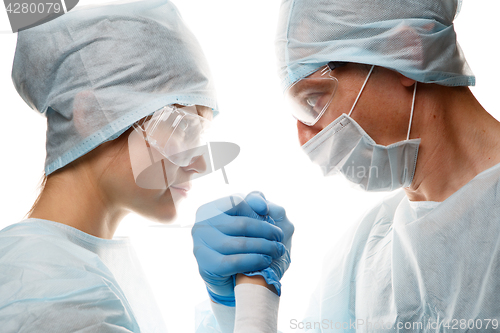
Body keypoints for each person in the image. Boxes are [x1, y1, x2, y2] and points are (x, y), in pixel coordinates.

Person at [192, 0, 500, 332]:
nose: (306, 139)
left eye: (314, 99)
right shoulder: (367, 253)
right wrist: (238, 311)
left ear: (407, 52)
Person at [0, 1, 281, 332]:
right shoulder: (51, 291)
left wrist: (226, 310)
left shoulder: (70, 268)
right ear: (92, 115)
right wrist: (254, 309)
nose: (201, 161)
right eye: (184, 128)